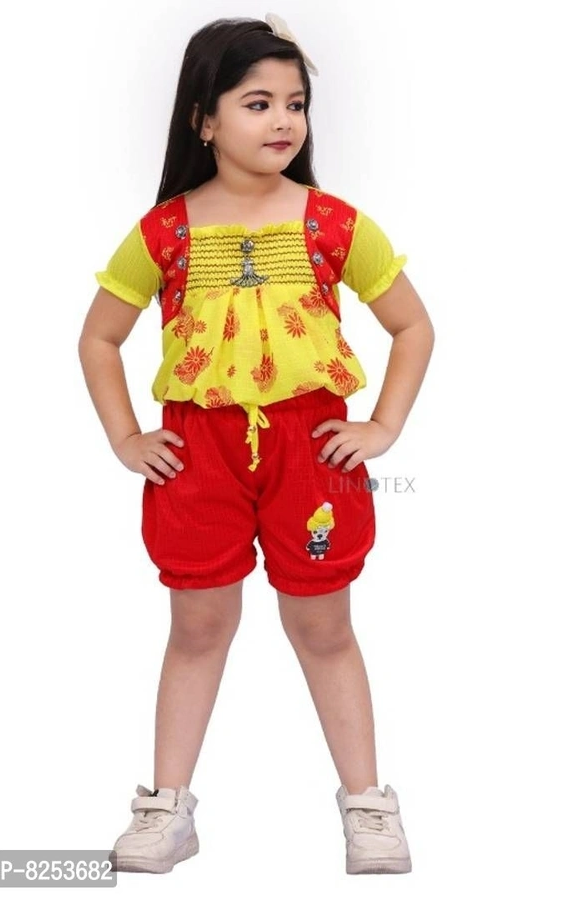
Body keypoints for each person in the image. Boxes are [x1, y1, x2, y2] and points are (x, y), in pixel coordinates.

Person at [78, 12, 434, 877]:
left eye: (295, 104)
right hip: (196, 453)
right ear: (203, 119)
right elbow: (99, 338)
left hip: (313, 451)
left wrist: (382, 426)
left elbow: (413, 326)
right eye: (257, 102)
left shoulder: (333, 225)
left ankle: (368, 807)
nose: (283, 120)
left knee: (324, 625)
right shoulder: (165, 232)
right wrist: (127, 436)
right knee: (198, 625)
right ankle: (167, 808)